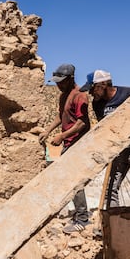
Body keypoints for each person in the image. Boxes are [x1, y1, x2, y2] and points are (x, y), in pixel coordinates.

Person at [39, 64, 91, 234]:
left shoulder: (80, 96)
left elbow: (81, 123)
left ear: (71, 79)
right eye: (57, 82)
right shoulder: (64, 96)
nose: (58, 85)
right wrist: (48, 131)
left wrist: (61, 136)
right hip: (68, 142)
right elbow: (60, 116)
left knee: (74, 180)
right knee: (69, 179)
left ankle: (82, 218)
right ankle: (78, 213)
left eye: (61, 82)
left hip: (79, 142)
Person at [79, 70, 130, 208]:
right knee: (110, 189)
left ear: (103, 85)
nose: (91, 93)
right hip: (118, 150)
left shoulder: (128, 94)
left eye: (92, 89)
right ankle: (113, 223)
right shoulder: (97, 105)